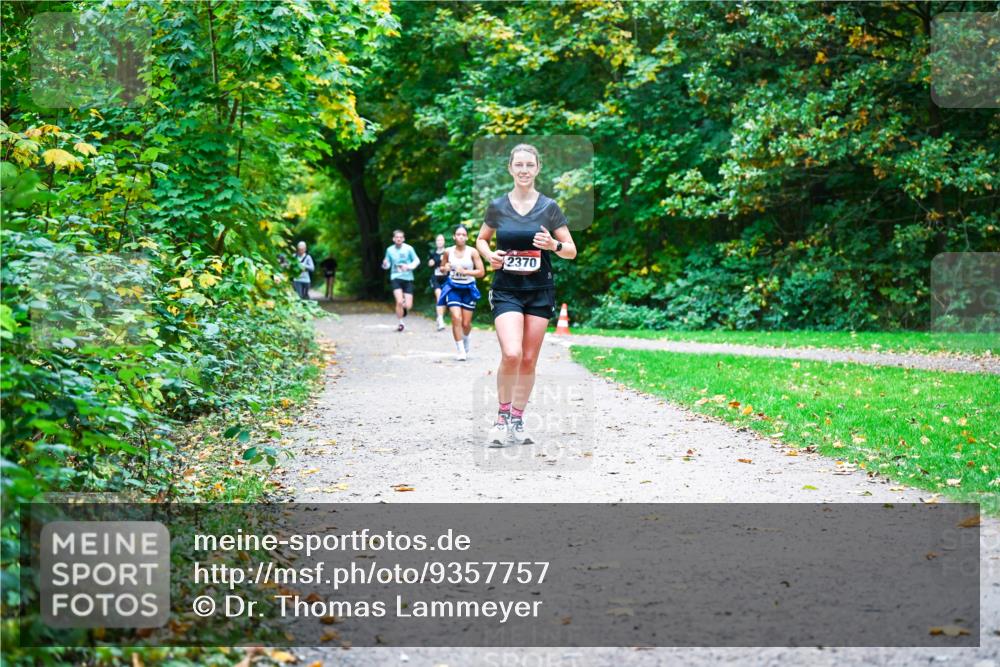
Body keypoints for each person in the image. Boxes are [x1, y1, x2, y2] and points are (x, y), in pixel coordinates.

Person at [475, 144, 577, 446]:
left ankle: (518, 419)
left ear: (537, 168)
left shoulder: (549, 207)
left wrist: (553, 246)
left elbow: (571, 251)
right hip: (507, 289)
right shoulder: (497, 206)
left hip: (539, 291)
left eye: (529, 165)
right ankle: (501, 417)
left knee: (529, 359)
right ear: (510, 168)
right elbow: (482, 239)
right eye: (518, 165)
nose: (523, 170)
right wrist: (489, 255)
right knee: (512, 354)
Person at [437, 225, 485, 361]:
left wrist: (465, 272)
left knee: (466, 324)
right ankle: (460, 350)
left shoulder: (473, 252)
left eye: (464, 234)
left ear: (467, 237)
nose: (461, 237)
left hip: (468, 288)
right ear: (454, 236)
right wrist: (444, 268)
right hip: (453, 288)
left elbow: (481, 272)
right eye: (458, 234)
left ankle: (466, 339)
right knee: (456, 318)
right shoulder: (448, 251)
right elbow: (442, 268)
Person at [381, 230, 420, 332]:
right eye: (397, 237)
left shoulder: (409, 249)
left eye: (400, 237)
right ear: (394, 239)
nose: (398, 239)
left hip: (408, 278)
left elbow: (417, 261)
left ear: (403, 239)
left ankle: (404, 307)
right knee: (398, 301)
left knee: (408, 305)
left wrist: (408, 266)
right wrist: (385, 264)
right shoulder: (389, 250)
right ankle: (401, 323)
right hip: (395, 277)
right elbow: (387, 264)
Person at [427, 234, 448, 331]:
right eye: (438, 240)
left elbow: (451, 264)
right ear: (436, 242)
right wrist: (430, 263)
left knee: (445, 299)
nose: (439, 242)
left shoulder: (448, 252)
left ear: (444, 241)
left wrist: (447, 266)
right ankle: (441, 320)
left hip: (446, 278)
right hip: (436, 278)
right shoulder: (432, 253)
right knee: (439, 296)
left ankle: (440, 317)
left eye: (441, 240)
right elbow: (429, 263)